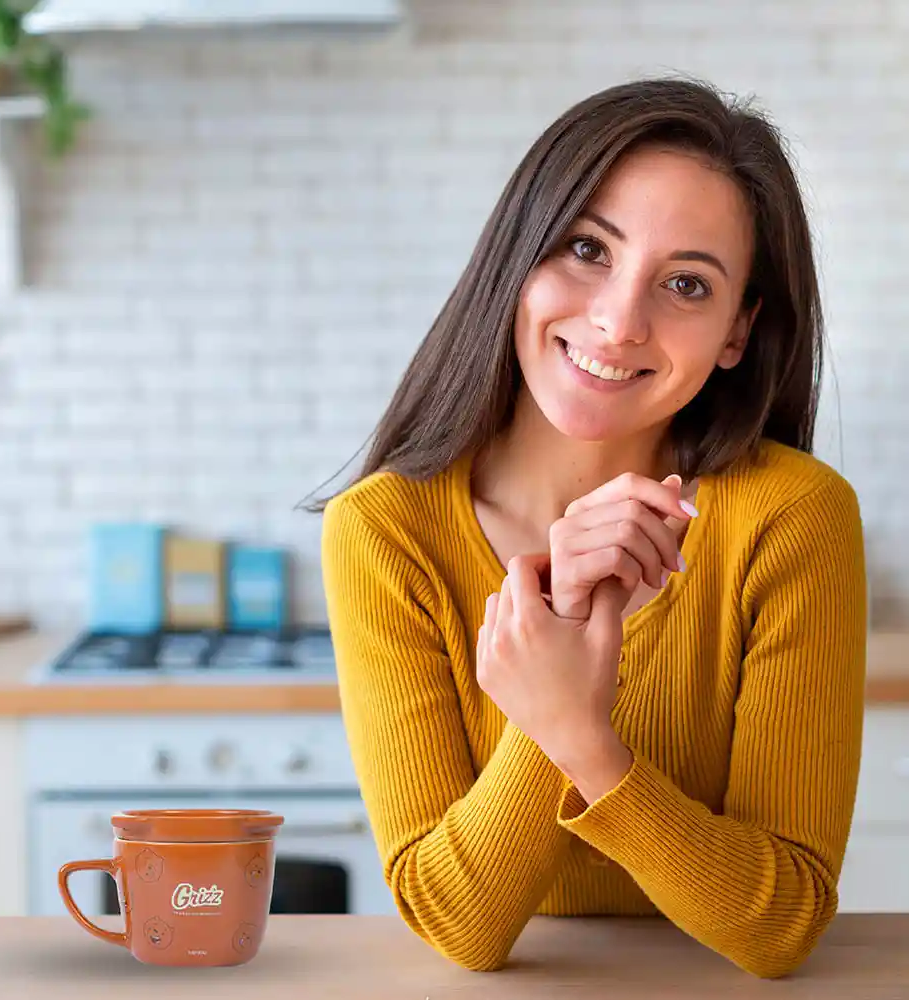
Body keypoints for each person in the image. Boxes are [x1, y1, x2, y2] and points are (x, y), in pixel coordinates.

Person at [313, 77, 867, 979]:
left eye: (687, 283)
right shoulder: (387, 531)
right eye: (586, 249)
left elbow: (782, 926)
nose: (618, 320)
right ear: (518, 258)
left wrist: (579, 732)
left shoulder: (793, 520)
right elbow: (459, 927)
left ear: (738, 330)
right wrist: (557, 662)